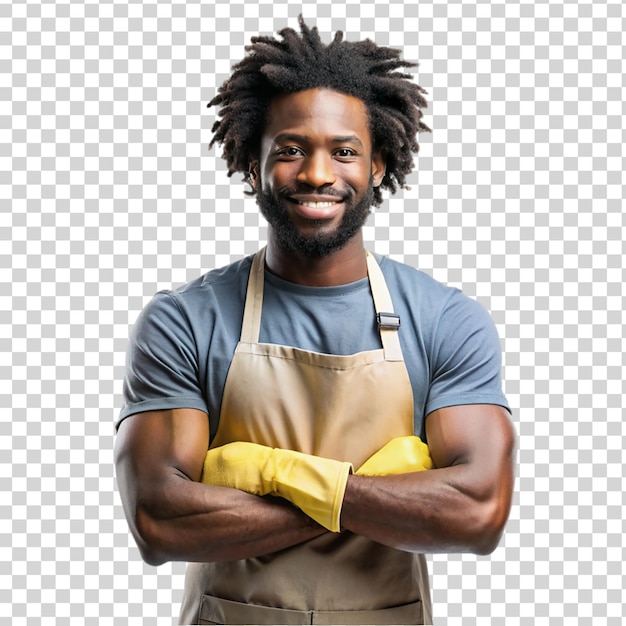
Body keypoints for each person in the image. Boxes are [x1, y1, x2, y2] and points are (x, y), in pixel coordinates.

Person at [114, 16, 515, 626]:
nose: (317, 174)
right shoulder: (185, 321)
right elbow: (159, 521)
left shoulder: (446, 320)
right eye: (291, 149)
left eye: (344, 152)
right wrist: (376, 493)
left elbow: (478, 513)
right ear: (253, 166)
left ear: (378, 167)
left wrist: (263, 473)